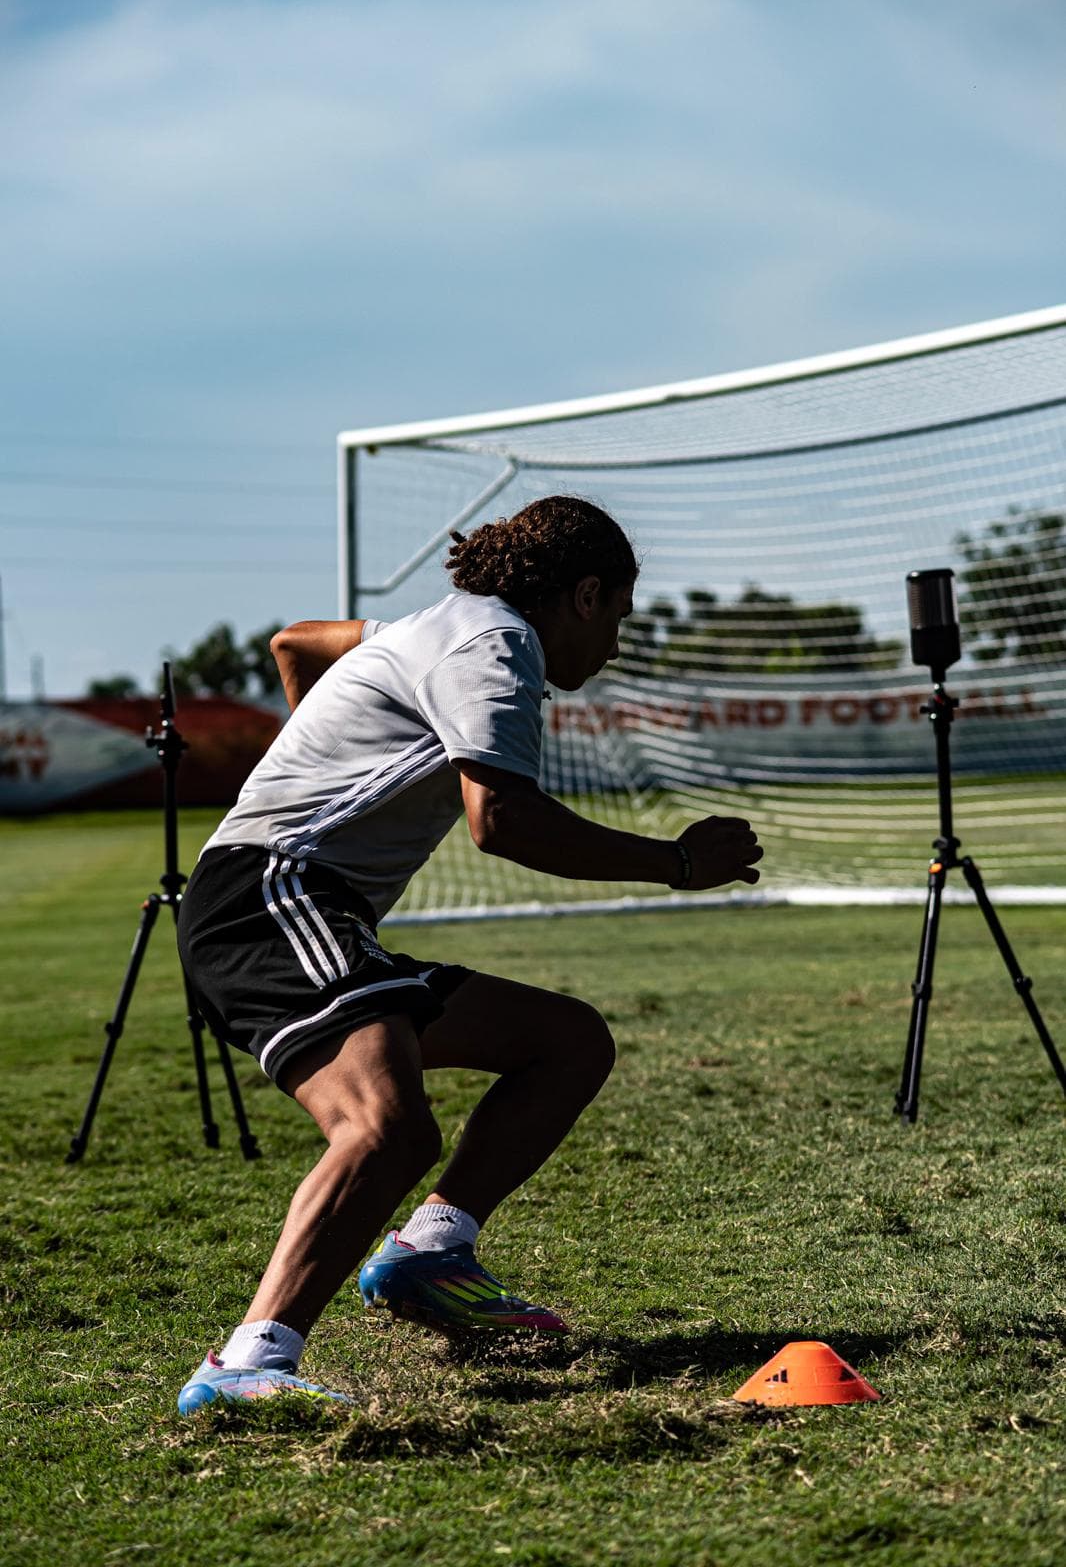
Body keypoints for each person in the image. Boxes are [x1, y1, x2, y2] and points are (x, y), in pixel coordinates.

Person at [175, 495, 762, 1412]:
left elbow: (297, 643)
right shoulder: (496, 646)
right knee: (389, 1127)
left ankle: (429, 1256)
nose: (610, 648)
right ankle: (247, 1361)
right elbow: (504, 822)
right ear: (584, 594)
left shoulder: (419, 628)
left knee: (566, 1041)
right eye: (616, 619)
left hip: (302, 904)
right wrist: (679, 863)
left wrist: (324, 753)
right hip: (270, 896)